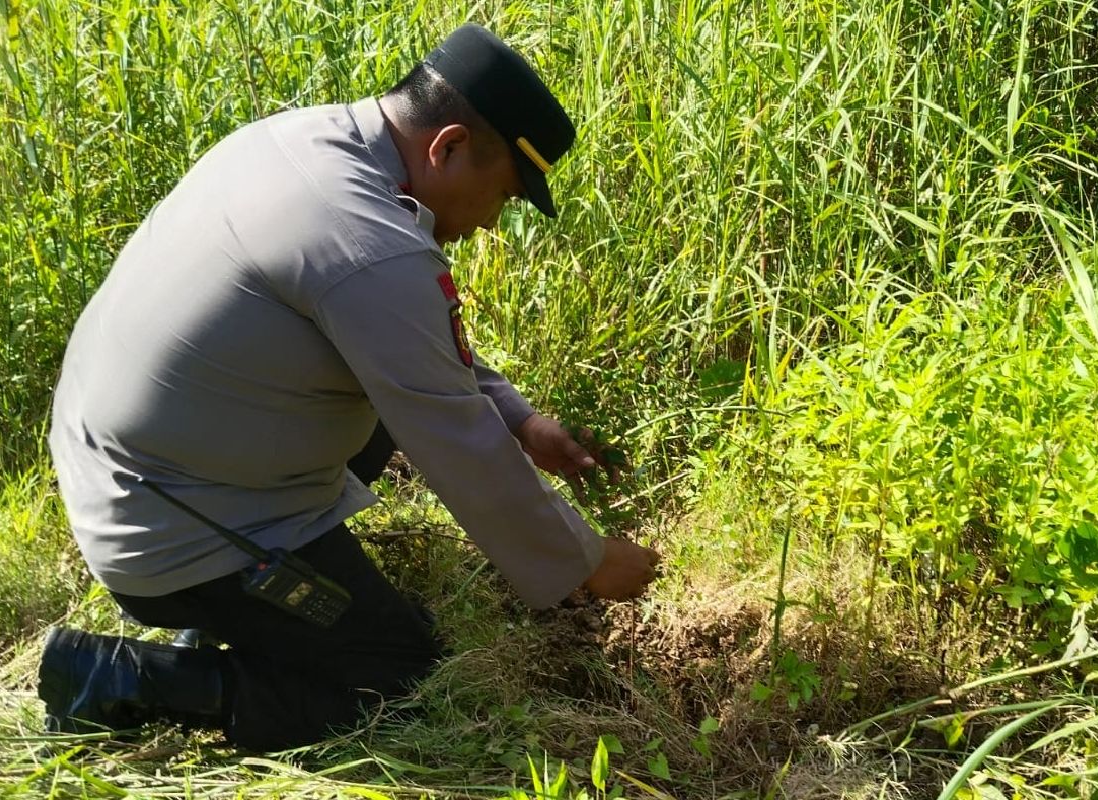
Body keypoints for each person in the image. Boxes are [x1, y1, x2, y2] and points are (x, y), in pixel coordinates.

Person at [39, 23, 661, 751]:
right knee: (399, 680)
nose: (494, 220)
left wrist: (521, 423)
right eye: (503, 194)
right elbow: (459, 448)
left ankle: (229, 612)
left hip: (131, 449)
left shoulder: (301, 142)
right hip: (167, 516)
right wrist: (585, 563)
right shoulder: (364, 240)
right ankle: (123, 678)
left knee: (391, 421)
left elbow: (410, 339)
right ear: (449, 146)